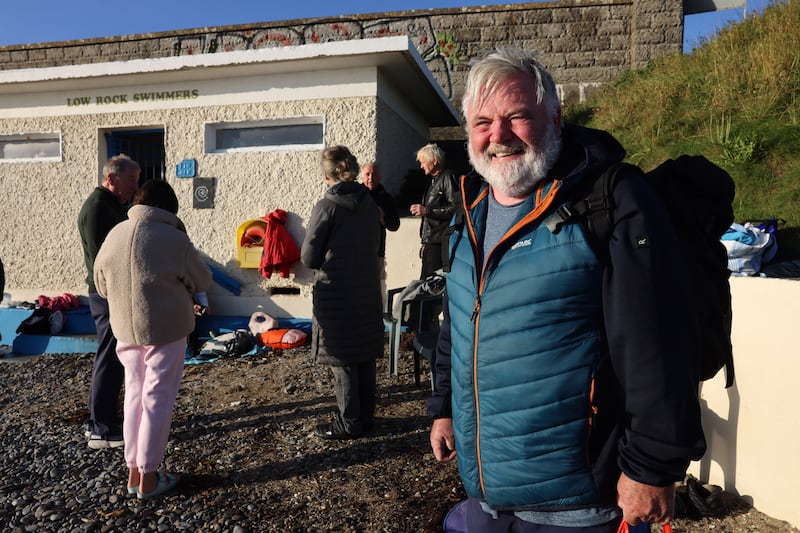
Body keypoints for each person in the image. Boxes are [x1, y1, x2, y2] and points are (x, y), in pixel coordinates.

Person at [427, 48, 706, 532]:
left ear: (554, 118)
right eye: (482, 122)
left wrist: (652, 469)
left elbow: (657, 340)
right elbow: (462, 317)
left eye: (517, 117)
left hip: (581, 505)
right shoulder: (469, 208)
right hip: (489, 494)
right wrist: (445, 409)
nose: (498, 136)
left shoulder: (609, 200)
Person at [94, 179, 212, 500]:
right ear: (168, 208)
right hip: (166, 329)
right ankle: (148, 476)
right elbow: (201, 278)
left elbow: (101, 285)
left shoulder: (114, 234)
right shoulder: (174, 238)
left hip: (125, 328)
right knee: (157, 397)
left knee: (134, 393)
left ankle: (134, 470)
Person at [301, 145, 384, 439]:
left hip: (336, 291)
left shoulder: (327, 207)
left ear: (326, 175)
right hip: (366, 287)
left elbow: (309, 258)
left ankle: (349, 423)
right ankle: (366, 419)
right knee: (364, 355)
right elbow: (377, 244)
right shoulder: (370, 203)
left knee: (343, 359)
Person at [77, 154, 140, 449]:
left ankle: (105, 420)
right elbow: (105, 259)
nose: (134, 187)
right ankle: (100, 427)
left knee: (114, 355)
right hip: (105, 293)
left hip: (112, 291)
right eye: (131, 180)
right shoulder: (98, 208)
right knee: (109, 356)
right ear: (111, 177)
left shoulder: (111, 206)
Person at [410, 143, 459, 279]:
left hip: (440, 243)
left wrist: (427, 210)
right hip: (432, 243)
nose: (421, 166)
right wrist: (425, 242)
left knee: (433, 285)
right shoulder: (433, 181)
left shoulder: (447, 177)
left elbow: (456, 208)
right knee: (425, 283)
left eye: (423, 162)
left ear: (435, 161)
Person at [361, 161, 400, 306]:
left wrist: (383, 216)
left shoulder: (386, 198)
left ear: (380, 177)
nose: (370, 178)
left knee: (377, 290)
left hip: (377, 253)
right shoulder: (355, 196)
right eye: (367, 174)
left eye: (374, 174)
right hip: (355, 253)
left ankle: (379, 321)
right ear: (362, 176)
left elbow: (395, 225)